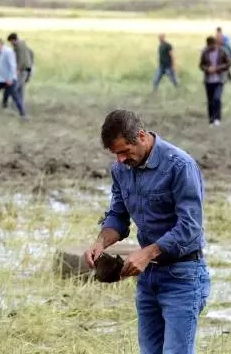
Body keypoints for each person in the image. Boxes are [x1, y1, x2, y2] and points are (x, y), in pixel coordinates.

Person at [85, 109, 210, 354]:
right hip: (148, 279)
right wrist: (101, 243)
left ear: (141, 136)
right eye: (115, 154)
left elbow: (190, 227)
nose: (120, 159)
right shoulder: (121, 169)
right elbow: (118, 216)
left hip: (183, 276)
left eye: (124, 151)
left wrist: (148, 253)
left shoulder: (180, 166)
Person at [0, 38, 27, 120]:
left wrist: (10, 79)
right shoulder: (1, 53)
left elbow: (13, 66)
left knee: (15, 97)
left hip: (10, 79)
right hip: (1, 79)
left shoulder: (8, 52)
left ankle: (23, 114)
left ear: (1, 44)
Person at [200, 36, 231, 127]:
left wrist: (217, 68)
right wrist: (207, 69)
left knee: (217, 98)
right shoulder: (205, 52)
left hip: (220, 79)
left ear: (216, 44)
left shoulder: (222, 51)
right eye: (209, 45)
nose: (211, 47)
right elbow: (201, 65)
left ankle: (217, 119)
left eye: (213, 45)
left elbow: (228, 64)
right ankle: (211, 120)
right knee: (210, 101)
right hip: (208, 81)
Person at [3, 32, 32, 108]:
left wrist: (17, 69)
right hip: (27, 68)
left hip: (22, 69)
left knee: (14, 87)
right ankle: (20, 104)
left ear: (13, 40)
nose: (11, 44)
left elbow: (20, 58)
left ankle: (14, 104)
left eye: (10, 42)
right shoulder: (23, 44)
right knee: (21, 88)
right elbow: (30, 53)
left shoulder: (18, 46)